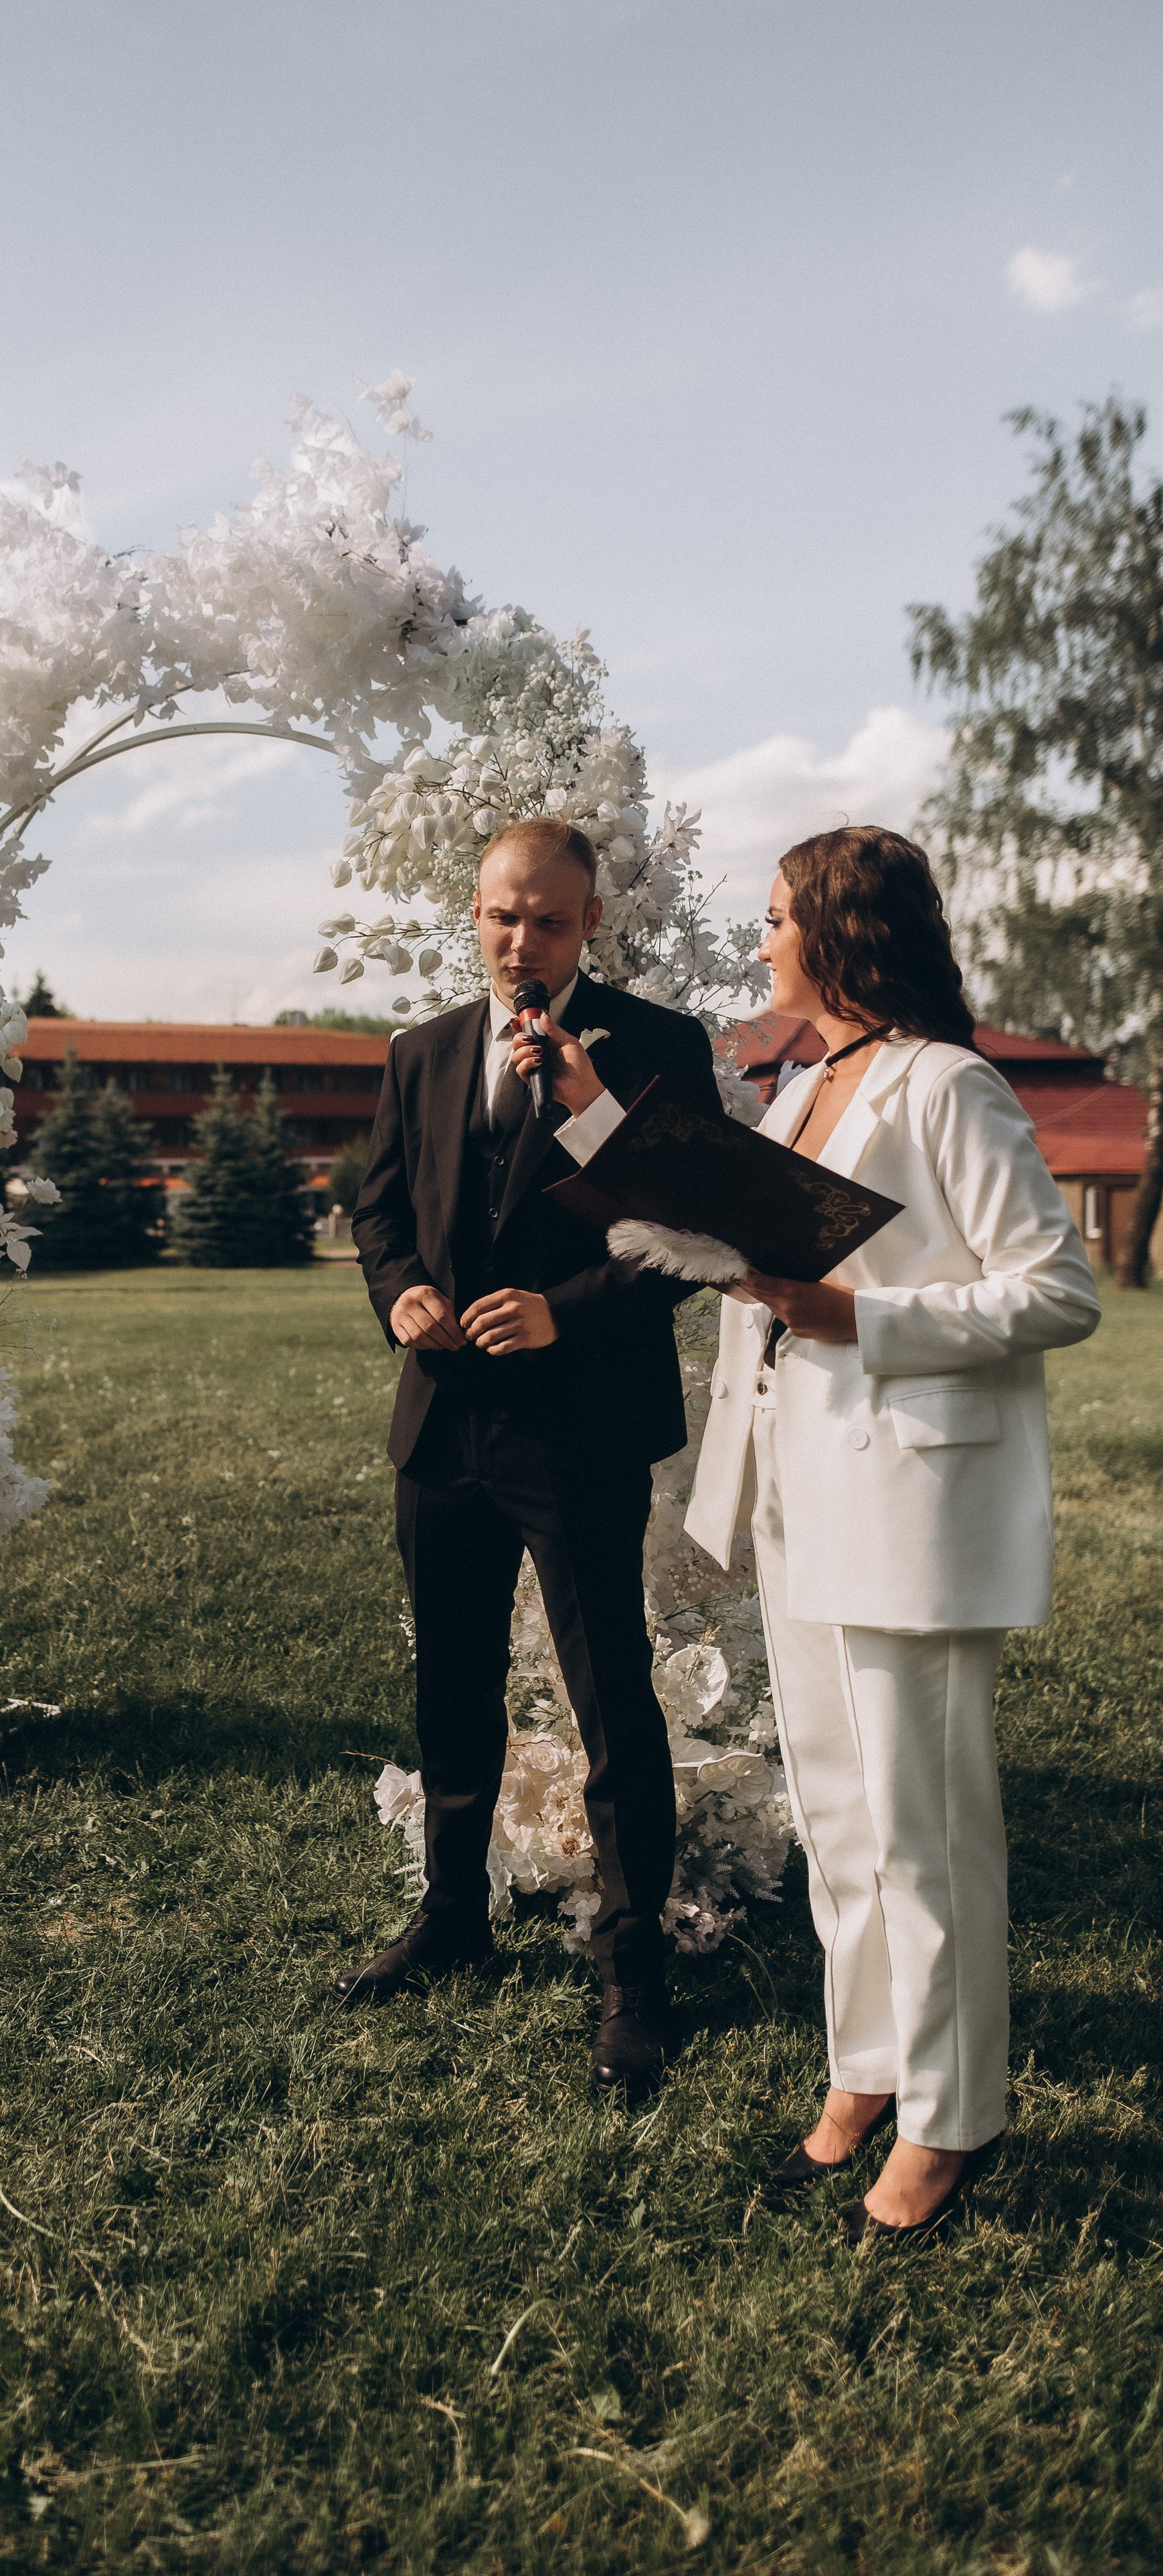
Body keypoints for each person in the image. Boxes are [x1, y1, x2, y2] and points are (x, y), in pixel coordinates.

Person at [678, 826, 1099, 2238]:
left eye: (774, 915)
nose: (758, 939)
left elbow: (1054, 1290)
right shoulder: (802, 1081)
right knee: (839, 1814)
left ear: (840, 931)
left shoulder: (946, 1087)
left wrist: (863, 1318)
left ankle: (950, 2116)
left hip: (910, 1497)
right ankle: (864, 2066)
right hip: (801, 1484)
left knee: (922, 1828)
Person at [343, 817, 722, 2093]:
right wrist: (398, 1292)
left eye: (550, 921)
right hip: (444, 1421)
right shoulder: (422, 1050)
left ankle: (633, 1976)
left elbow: (691, 1232)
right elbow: (380, 1207)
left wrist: (570, 1311)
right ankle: (453, 1918)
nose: (524, 941)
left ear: (591, 925)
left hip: (582, 1425)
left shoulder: (662, 1049)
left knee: (610, 1697)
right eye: (505, 916)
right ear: (476, 909)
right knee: (451, 1686)